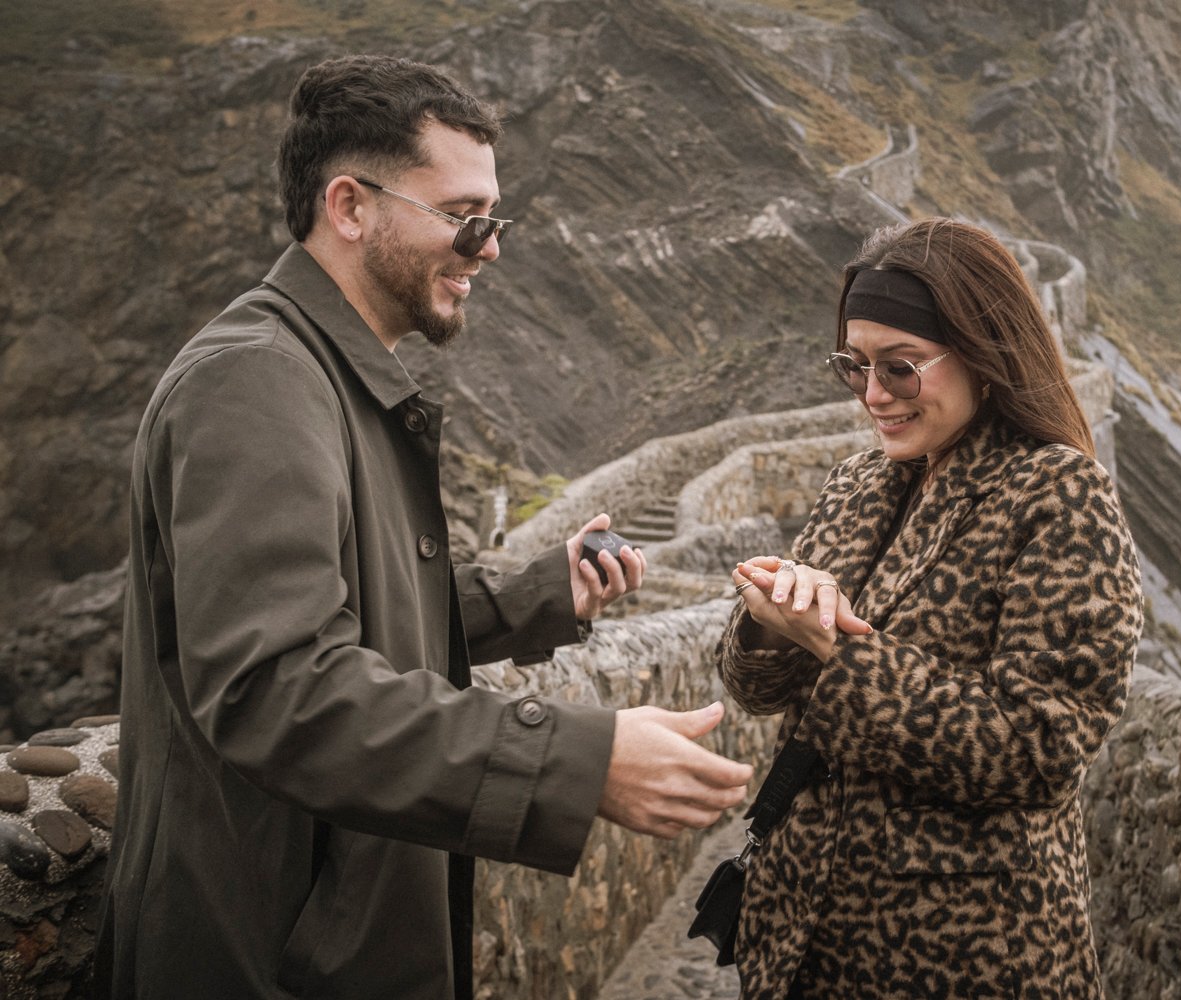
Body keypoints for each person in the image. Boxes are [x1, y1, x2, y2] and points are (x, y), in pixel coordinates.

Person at [95, 54, 752, 1000]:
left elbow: (357, 606)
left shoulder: (323, 374)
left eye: (496, 220)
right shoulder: (257, 380)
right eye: (464, 216)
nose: (490, 247)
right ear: (351, 206)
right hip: (264, 959)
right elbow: (275, 689)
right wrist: (579, 758)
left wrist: (533, 593)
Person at [717, 218, 1143, 998]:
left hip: (963, 954)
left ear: (983, 352)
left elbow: (1038, 746)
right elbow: (757, 689)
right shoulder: (856, 482)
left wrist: (837, 652)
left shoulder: (1060, 495)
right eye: (855, 366)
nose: (874, 395)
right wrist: (766, 620)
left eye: (901, 369)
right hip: (800, 936)